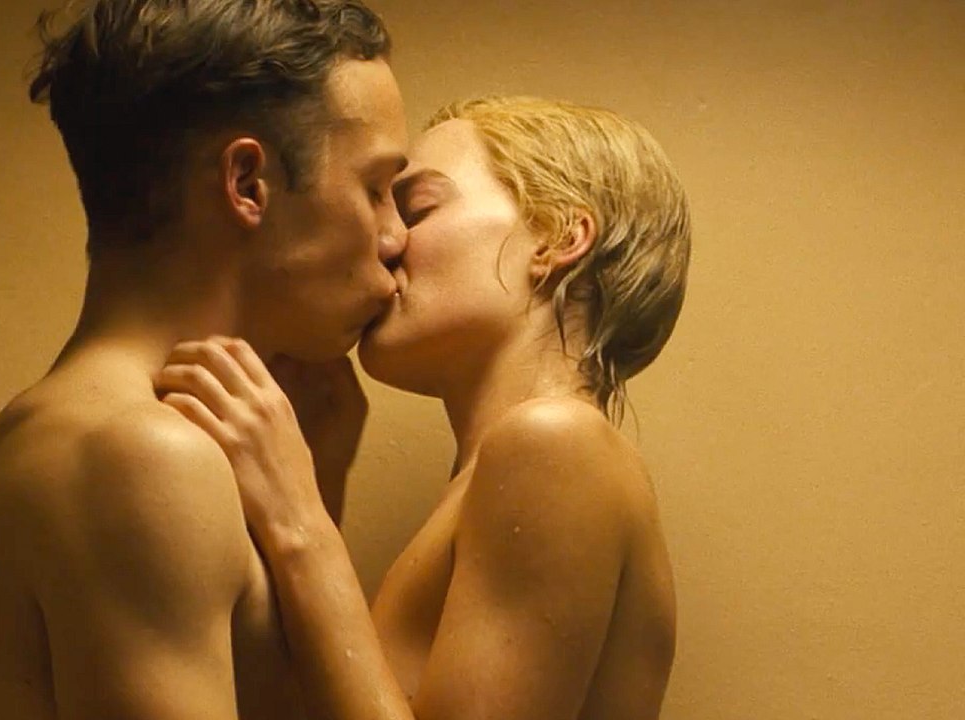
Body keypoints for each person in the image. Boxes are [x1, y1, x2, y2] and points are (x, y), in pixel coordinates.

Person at [0, 1, 411, 718]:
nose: (396, 237)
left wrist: (316, 489)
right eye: (376, 189)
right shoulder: (141, 458)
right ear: (247, 185)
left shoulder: (108, 436)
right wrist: (306, 526)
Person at [156, 96, 692, 720]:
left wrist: (298, 518)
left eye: (418, 209)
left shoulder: (555, 442)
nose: (385, 241)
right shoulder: (499, 472)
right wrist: (320, 479)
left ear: (555, 238)